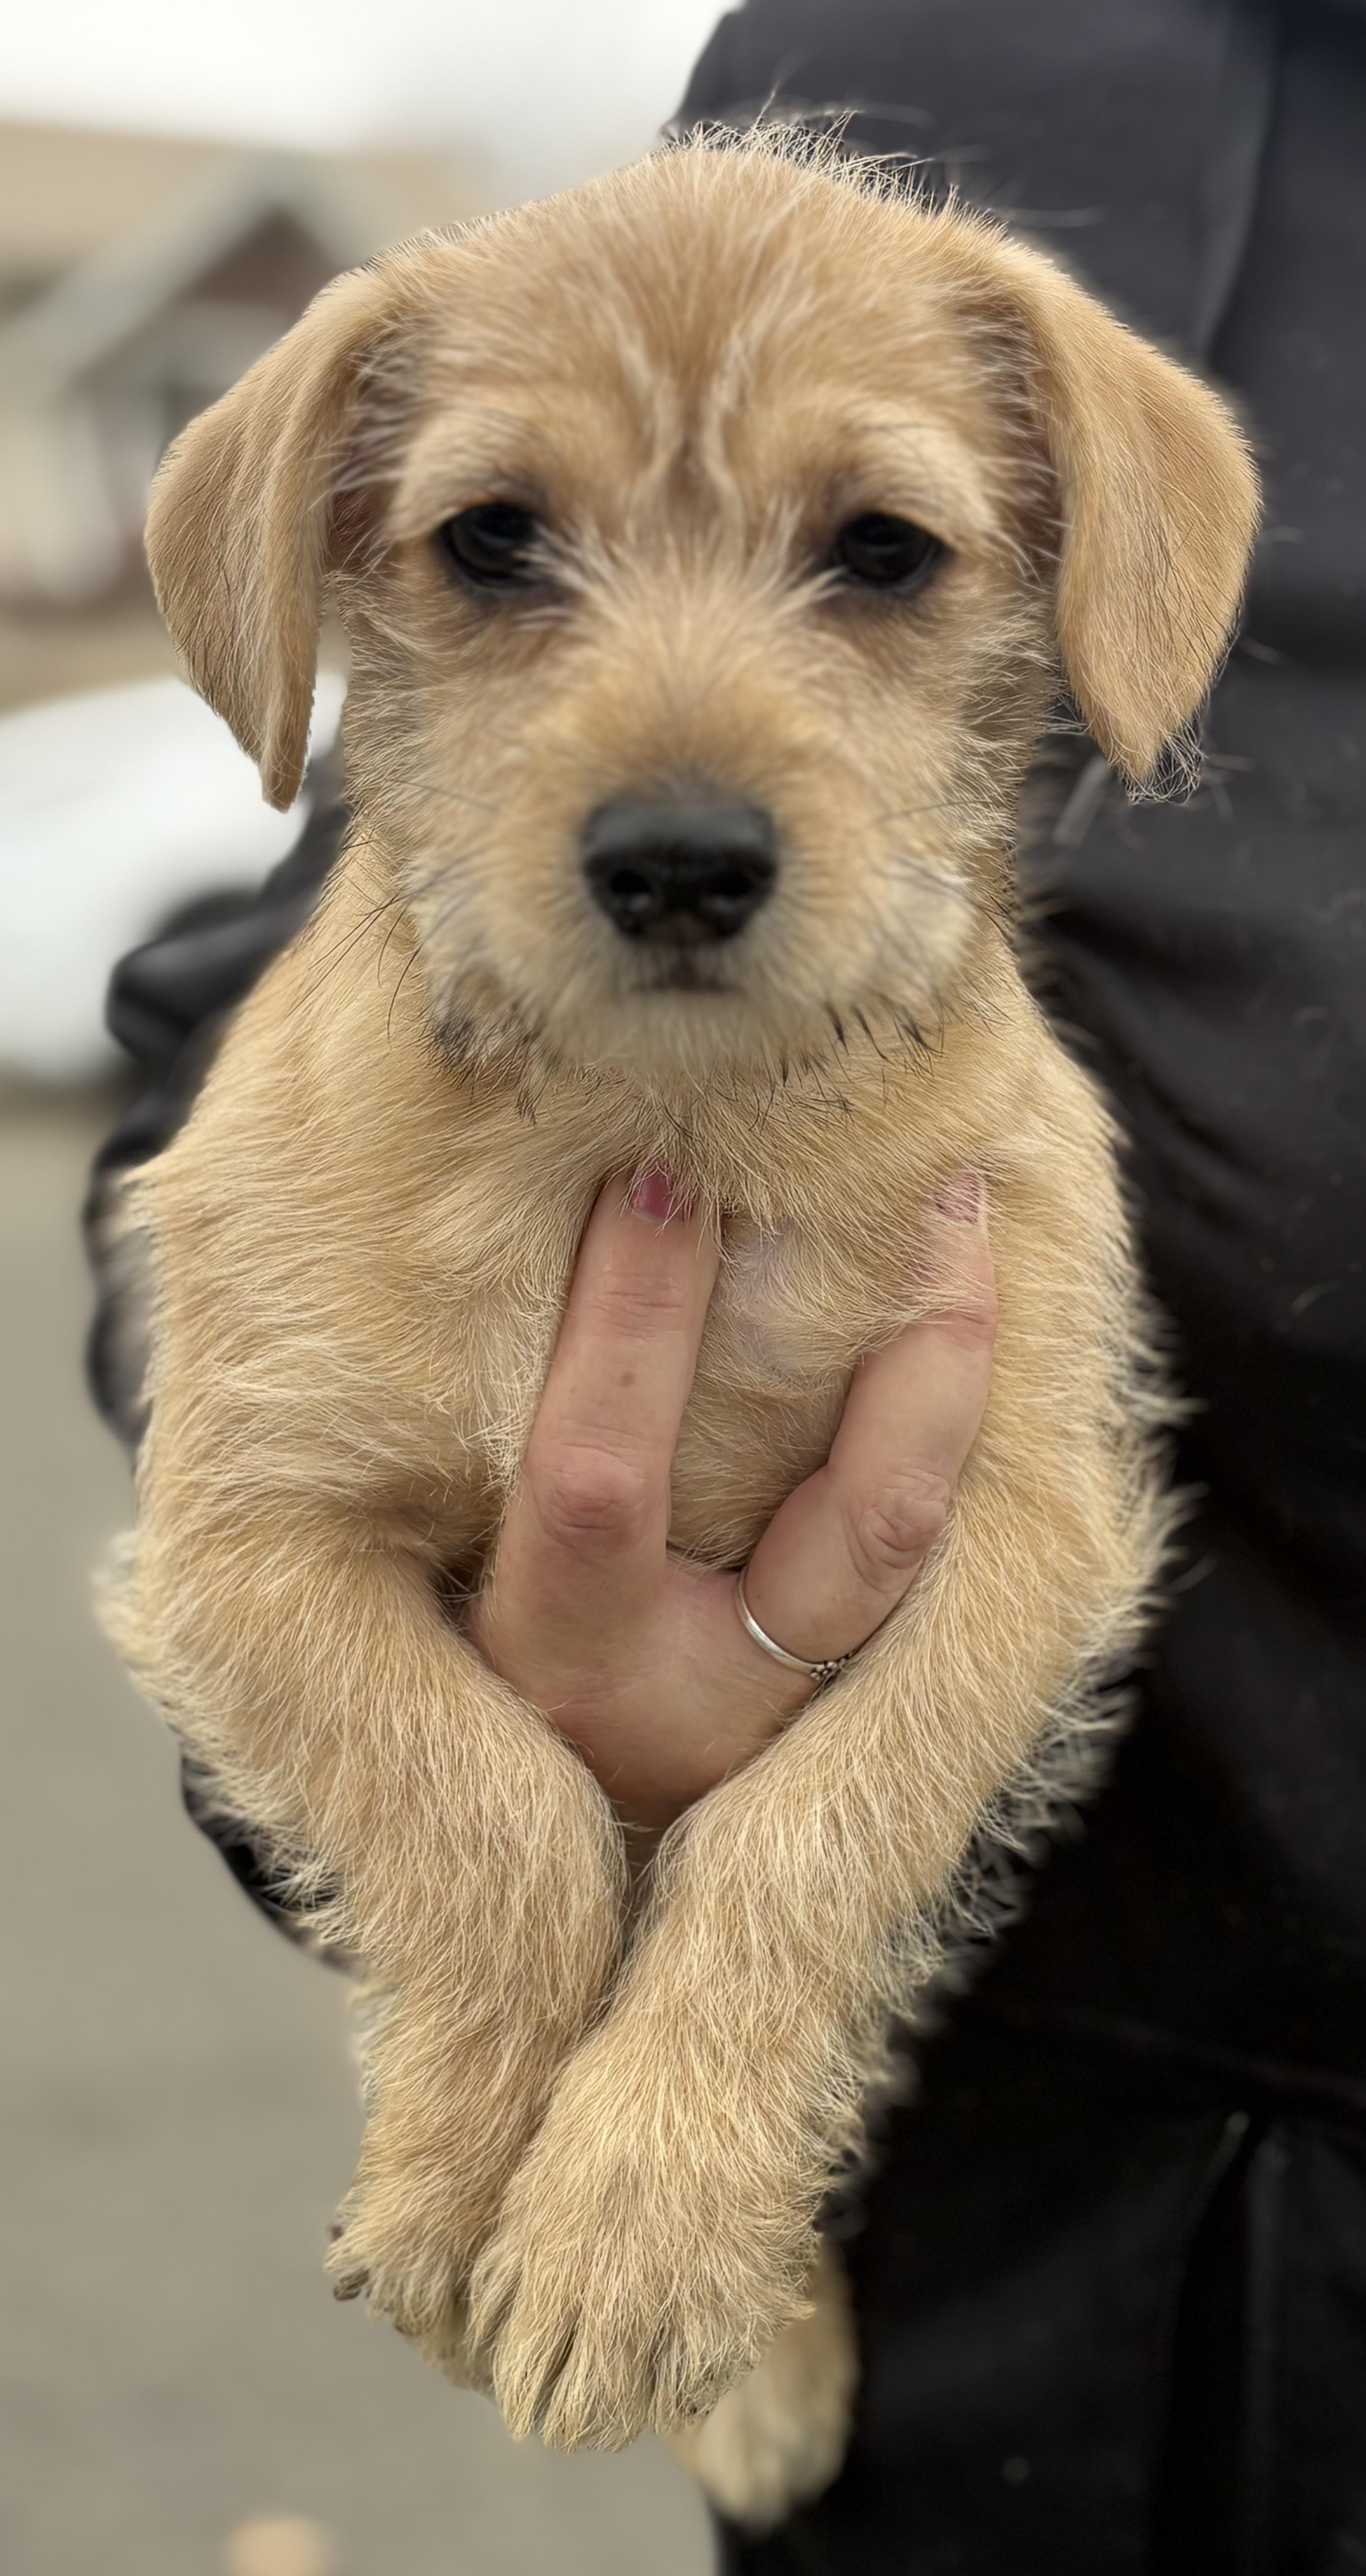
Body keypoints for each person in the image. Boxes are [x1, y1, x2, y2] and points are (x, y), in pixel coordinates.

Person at [90, 0, 1366, 2564]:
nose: (678, 774)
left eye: (873, 556)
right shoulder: (1004, 55)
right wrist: (515, 1909)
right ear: (316, 575)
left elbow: (1036, 1535)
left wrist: (729, 2030)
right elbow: (215, 1334)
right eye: (494, 550)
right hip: (1081, 2270)